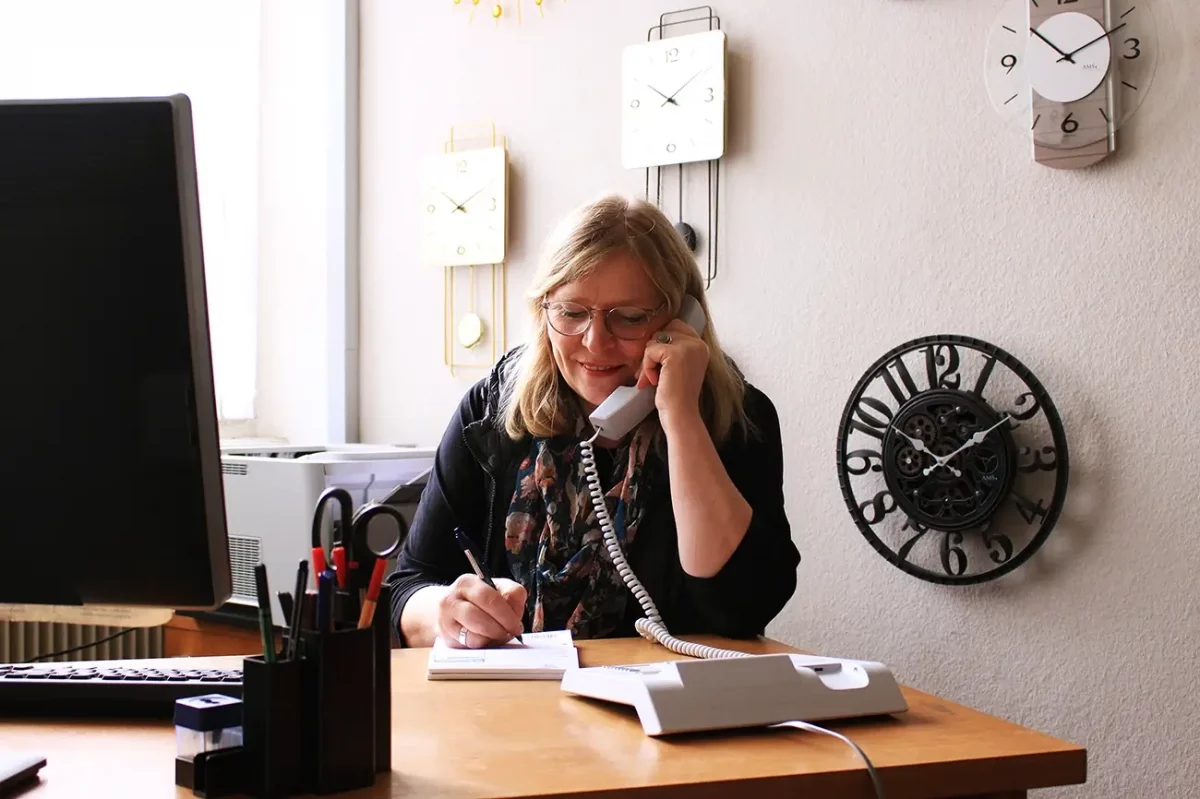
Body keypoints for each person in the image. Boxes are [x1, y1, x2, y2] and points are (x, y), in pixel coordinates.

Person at [386, 194, 800, 649]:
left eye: (628, 318)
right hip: (514, 710)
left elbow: (743, 607)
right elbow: (408, 588)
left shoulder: (737, 418)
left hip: (676, 708)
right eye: (571, 312)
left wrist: (681, 418)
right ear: (544, 310)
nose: (594, 341)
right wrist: (450, 612)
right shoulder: (493, 409)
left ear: (682, 320)